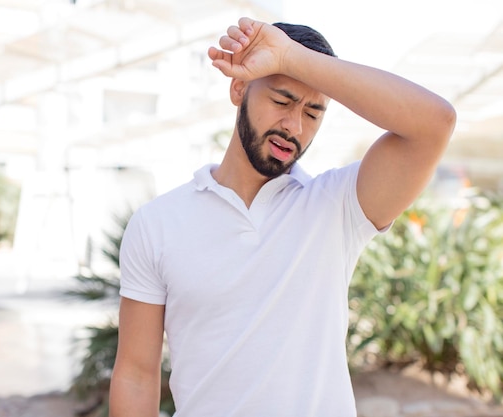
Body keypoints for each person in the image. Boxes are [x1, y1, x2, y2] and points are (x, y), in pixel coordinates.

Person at [109, 17, 456, 417]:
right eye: (282, 101)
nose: (294, 127)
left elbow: (435, 123)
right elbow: (136, 374)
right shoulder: (157, 224)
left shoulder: (339, 206)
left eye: (313, 113)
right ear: (239, 88)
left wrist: (291, 57)